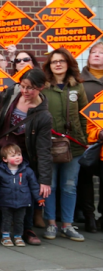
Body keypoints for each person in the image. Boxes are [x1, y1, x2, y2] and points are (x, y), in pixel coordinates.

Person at [0, 68, 52, 246]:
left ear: (41, 88)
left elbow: (43, 149)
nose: (25, 91)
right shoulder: (12, 92)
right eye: (23, 86)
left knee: (25, 191)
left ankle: (27, 229)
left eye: (30, 88)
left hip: (22, 156)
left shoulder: (43, 115)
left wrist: (45, 180)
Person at [41, 48, 88, 242]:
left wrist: (84, 139)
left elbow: (84, 116)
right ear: (49, 66)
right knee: (49, 186)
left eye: (61, 61)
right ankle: (51, 224)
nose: (58, 64)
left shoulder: (77, 87)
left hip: (74, 145)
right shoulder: (43, 87)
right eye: (54, 62)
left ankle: (67, 225)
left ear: (68, 64)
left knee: (69, 186)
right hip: (48, 144)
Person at [0, 144, 43, 247]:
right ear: (5, 159)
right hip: (5, 201)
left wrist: (39, 199)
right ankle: (5, 236)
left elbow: (34, 186)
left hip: (23, 201)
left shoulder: (27, 171)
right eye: (13, 156)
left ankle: (18, 236)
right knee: (6, 219)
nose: (17, 157)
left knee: (19, 220)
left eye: (19, 154)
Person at [76, 41, 103, 233]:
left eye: (102, 53)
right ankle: (89, 216)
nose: (97, 55)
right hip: (85, 138)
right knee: (84, 179)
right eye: (94, 52)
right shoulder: (79, 80)